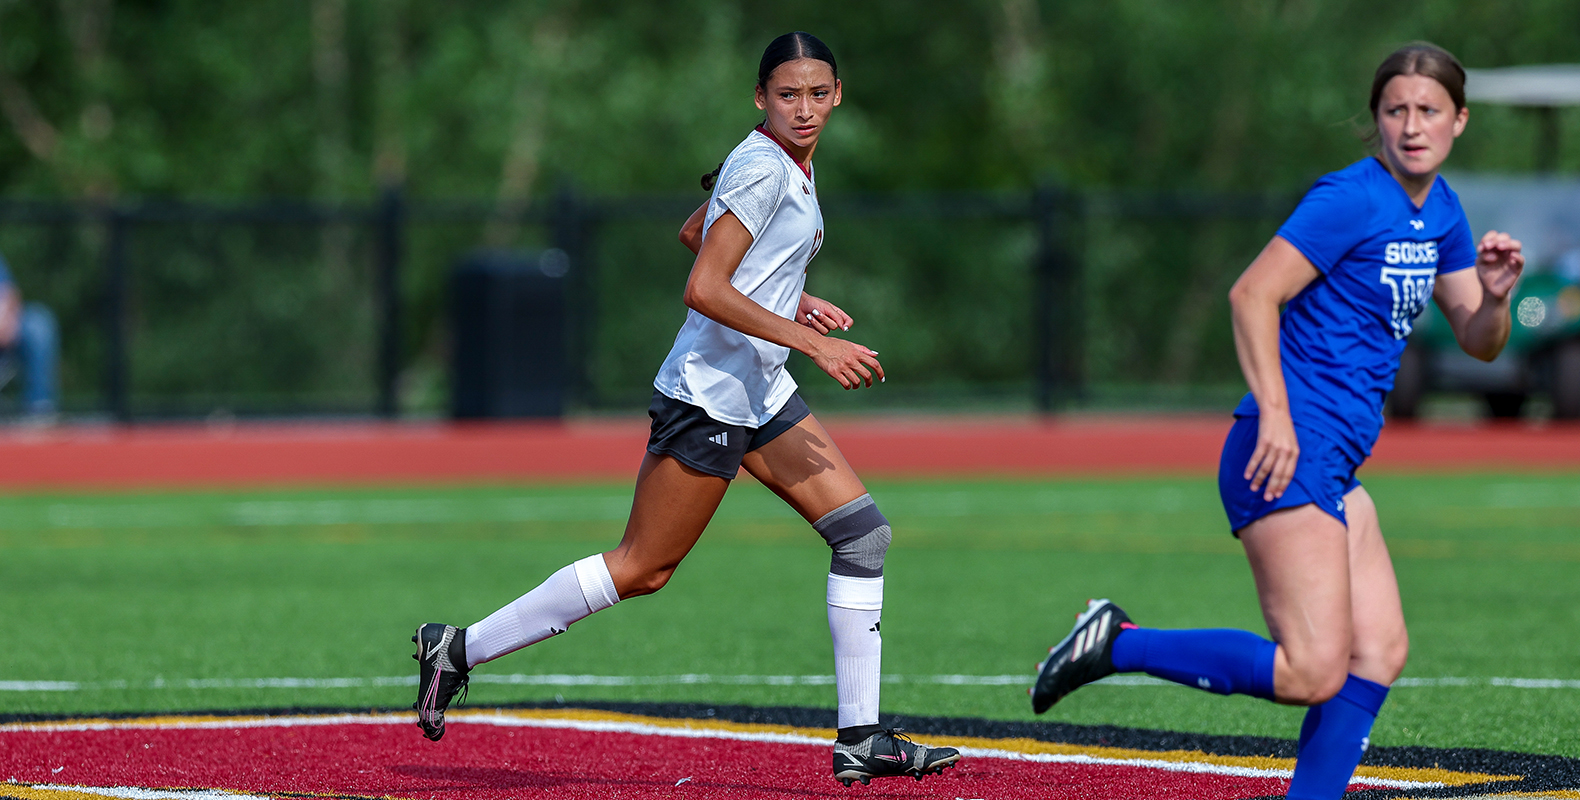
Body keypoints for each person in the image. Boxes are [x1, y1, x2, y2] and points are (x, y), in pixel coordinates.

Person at [412, 31, 961, 787]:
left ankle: (861, 739)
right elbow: (702, 285)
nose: (804, 109)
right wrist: (809, 340)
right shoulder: (764, 165)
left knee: (863, 536)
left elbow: (694, 233)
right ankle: (457, 648)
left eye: (818, 93)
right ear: (761, 99)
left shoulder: (789, 164)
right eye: (787, 95)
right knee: (643, 568)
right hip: (708, 397)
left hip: (759, 390)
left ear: (838, 94)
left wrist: (788, 293)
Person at [1029, 42, 1523, 800]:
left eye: (1429, 111)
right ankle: (1116, 645)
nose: (1413, 126)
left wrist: (1494, 296)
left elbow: (1480, 344)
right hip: (1285, 451)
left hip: (1335, 460)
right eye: (1396, 110)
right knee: (1310, 670)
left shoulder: (1444, 209)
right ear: (1377, 119)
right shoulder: (1350, 197)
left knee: (1379, 651)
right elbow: (1251, 295)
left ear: (1460, 119)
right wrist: (1279, 419)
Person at [0, 252, 60, 419]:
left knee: (38, 323)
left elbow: (9, 293)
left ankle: (38, 409)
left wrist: (7, 321)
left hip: (5, 334)